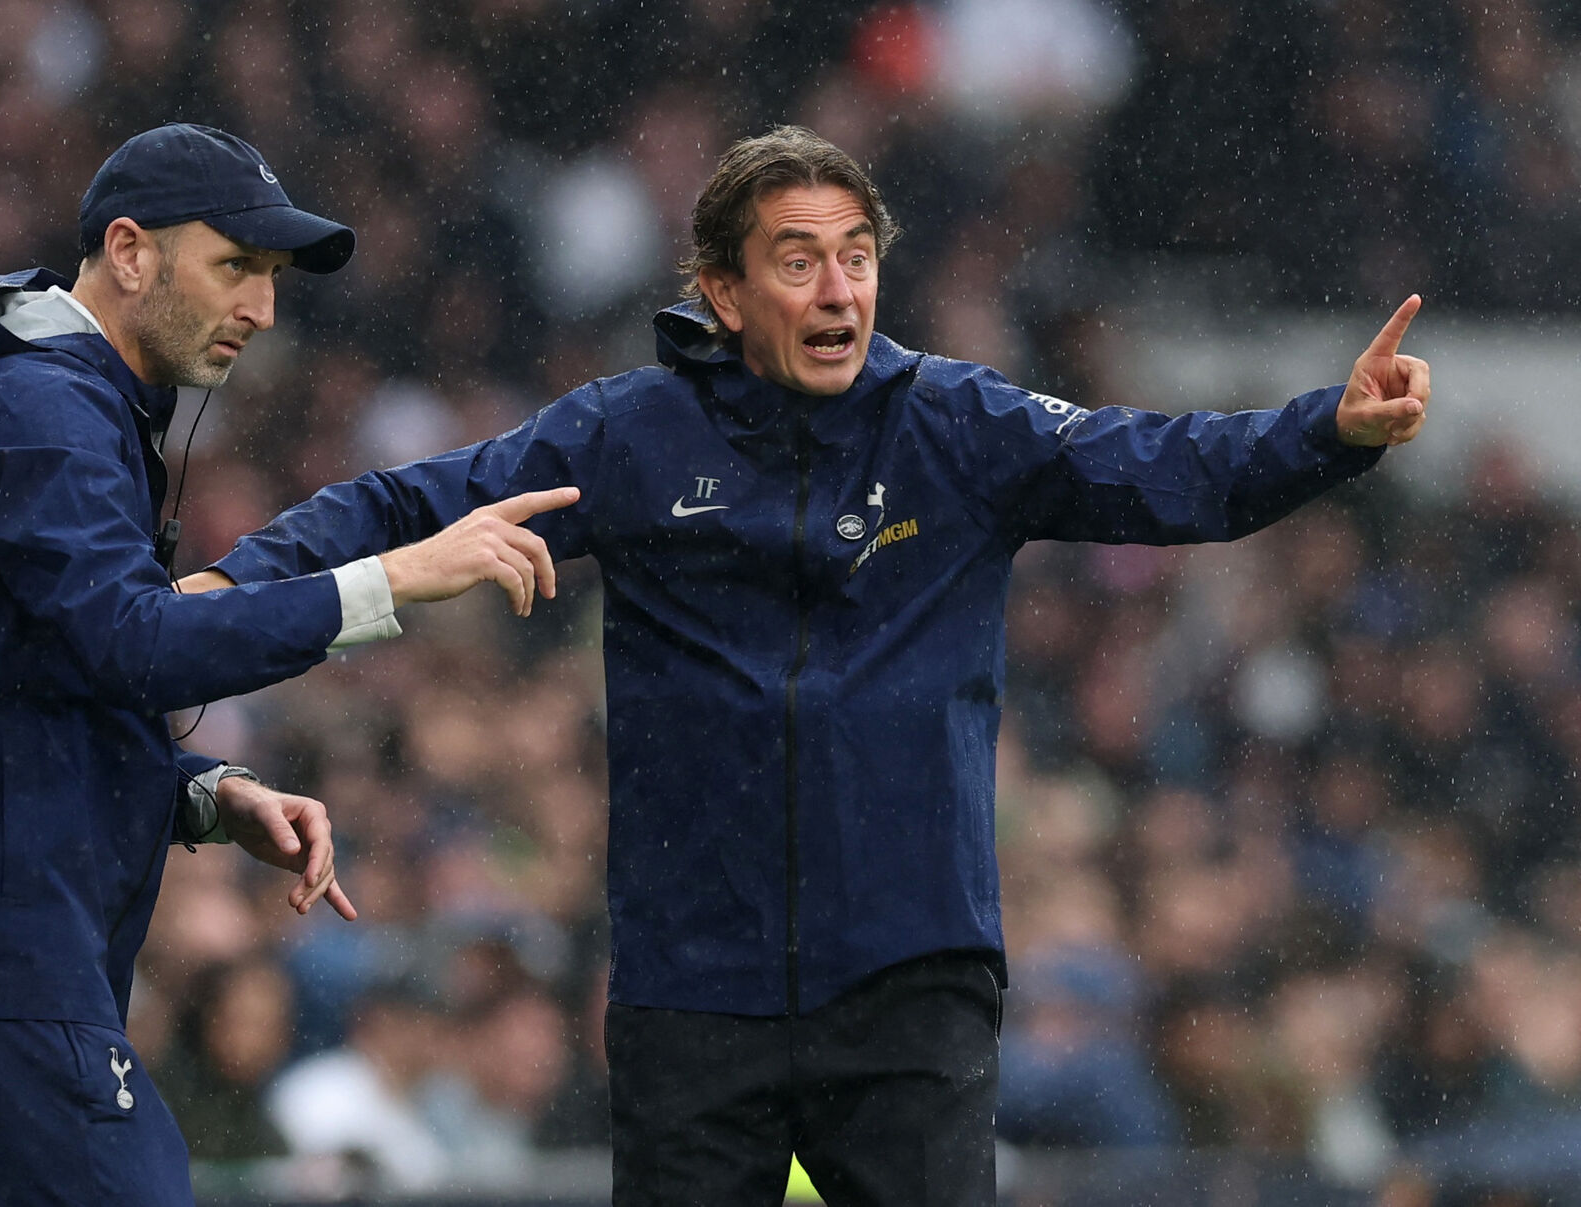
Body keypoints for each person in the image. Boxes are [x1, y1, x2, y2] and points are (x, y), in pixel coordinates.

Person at [180, 126, 1431, 1205]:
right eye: (799, 261)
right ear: (722, 292)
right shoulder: (628, 436)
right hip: (693, 986)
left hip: (909, 977)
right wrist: (243, 578)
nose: (839, 290)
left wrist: (1330, 428)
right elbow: (416, 498)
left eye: (858, 257)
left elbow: (1166, 466)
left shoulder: (956, 425)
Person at [0, 123, 577, 1206]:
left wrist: (199, 794)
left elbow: (21, 696)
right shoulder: (36, 407)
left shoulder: (45, 402)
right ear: (130, 251)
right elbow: (137, 640)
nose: (262, 308)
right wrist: (394, 582)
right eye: (238, 267)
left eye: (274, 278)